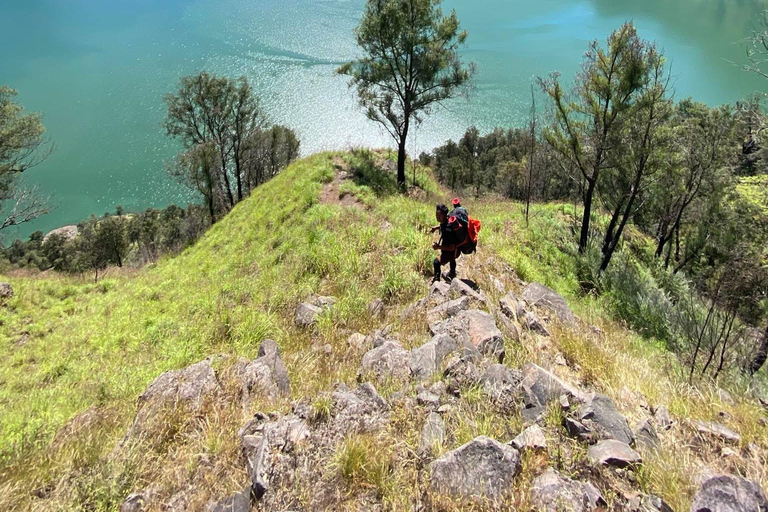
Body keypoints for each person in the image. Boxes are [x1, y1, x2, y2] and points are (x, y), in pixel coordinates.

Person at [431, 203, 466, 282]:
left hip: (452, 252)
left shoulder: (448, 229)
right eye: (436, 215)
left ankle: (436, 281)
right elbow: (443, 226)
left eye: (439, 215)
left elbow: (451, 247)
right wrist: (436, 228)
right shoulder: (447, 220)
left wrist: (438, 247)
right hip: (455, 250)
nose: (437, 217)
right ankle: (452, 273)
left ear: (444, 215)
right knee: (452, 260)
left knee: (436, 262)